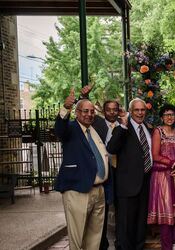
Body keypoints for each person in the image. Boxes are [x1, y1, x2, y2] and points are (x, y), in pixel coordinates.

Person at [54, 89, 111, 250]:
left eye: (92, 111)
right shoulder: (70, 128)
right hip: (78, 189)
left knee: (94, 237)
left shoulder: (94, 130)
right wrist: (65, 108)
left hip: (99, 190)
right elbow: (59, 128)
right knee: (78, 237)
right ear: (77, 113)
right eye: (85, 111)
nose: (89, 114)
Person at [107, 98, 153, 250]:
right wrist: (123, 126)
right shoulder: (123, 128)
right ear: (130, 111)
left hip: (145, 183)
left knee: (141, 224)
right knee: (126, 226)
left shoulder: (148, 128)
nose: (140, 113)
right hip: (127, 186)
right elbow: (112, 148)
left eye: (143, 110)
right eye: (136, 110)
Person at [147, 104, 175, 250]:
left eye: (172, 114)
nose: (169, 117)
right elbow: (155, 155)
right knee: (166, 216)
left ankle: (173, 244)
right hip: (162, 178)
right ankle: (166, 246)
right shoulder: (158, 132)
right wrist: (174, 164)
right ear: (161, 117)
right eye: (166, 114)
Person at [91, 100, 120, 250]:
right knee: (104, 208)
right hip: (104, 170)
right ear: (103, 111)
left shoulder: (123, 124)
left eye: (115, 109)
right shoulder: (97, 124)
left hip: (120, 171)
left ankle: (120, 241)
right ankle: (102, 243)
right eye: (108, 110)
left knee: (120, 208)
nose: (112, 112)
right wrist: (84, 95)